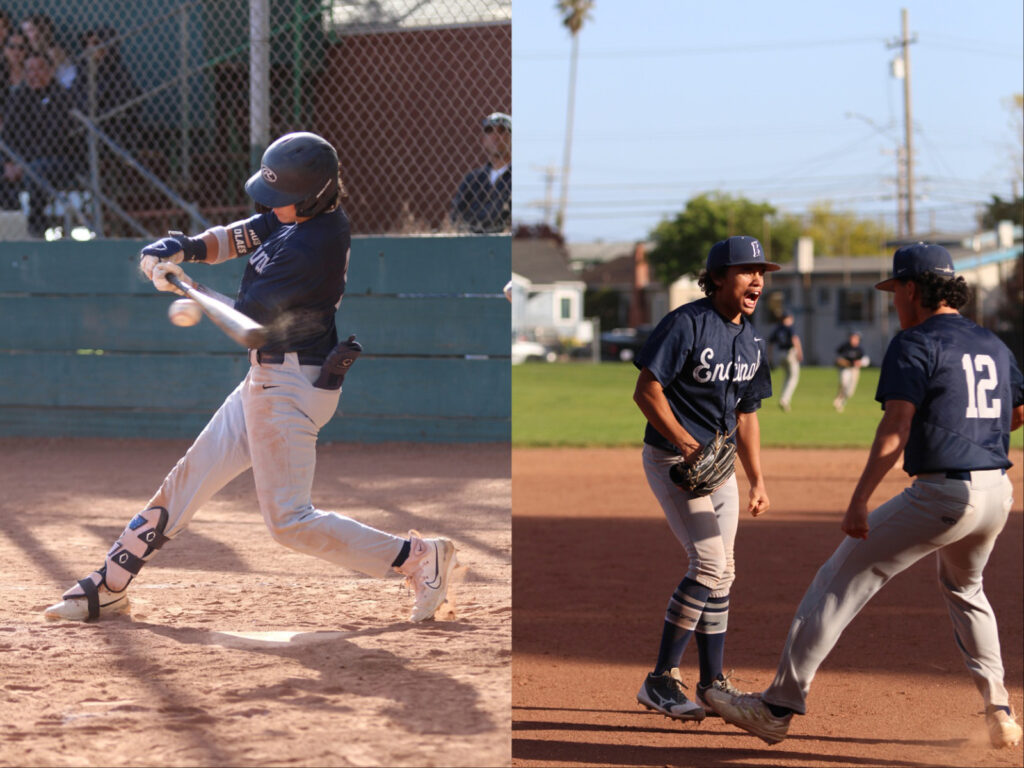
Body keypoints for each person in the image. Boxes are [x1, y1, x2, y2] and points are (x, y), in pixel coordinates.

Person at [44, 132, 457, 625]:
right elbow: (245, 232)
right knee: (188, 478)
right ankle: (110, 582)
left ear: (312, 197)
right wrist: (186, 246)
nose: (272, 206)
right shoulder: (298, 216)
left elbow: (244, 319)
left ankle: (418, 557)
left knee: (288, 522)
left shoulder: (311, 246)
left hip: (289, 389)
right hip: (269, 381)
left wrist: (186, 285)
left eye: (281, 199)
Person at [704, 243, 1024, 749]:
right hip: (998, 493)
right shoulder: (993, 344)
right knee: (967, 590)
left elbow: (895, 427)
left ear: (914, 290)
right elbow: (1018, 414)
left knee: (839, 578)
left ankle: (778, 705)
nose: (895, 300)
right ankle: (1000, 710)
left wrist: (860, 500)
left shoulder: (915, 342)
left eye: (897, 290)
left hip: (944, 494)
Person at [632, 235, 776, 722]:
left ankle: (713, 683)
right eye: (745, 270)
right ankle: (659, 680)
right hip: (673, 462)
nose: (757, 279)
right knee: (709, 563)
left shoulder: (752, 338)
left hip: (719, 465)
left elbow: (748, 413)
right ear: (717, 278)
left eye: (761, 271)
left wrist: (756, 478)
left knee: (725, 570)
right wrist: (683, 441)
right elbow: (646, 391)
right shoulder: (686, 324)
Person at [0, 51, 81, 236]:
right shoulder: (19, 96)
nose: (34, 75)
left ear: (51, 70)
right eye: (29, 70)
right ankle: (12, 223)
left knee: (36, 171)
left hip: (57, 160)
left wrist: (22, 164)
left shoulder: (61, 97)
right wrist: (8, 162)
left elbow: (54, 140)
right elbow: (7, 135)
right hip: (20, 160)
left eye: (39, 69)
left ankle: (36, 228)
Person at [71, 27, 141, 145]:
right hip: (83, 128)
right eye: (87, 44)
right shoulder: (82, 70)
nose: (90, 48)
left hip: (110, 130)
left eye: (96, 43)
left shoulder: (119, 74)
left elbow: (120, 106)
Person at [450, 112, 510, 233]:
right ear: (483, 140)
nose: (495, 137)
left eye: (501, 131)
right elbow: (456, 215)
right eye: (489, 131)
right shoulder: (473, 179)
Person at [768, 312, 802, 413]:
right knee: (793, 378)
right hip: (790, 353)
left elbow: (770, 345)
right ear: (788, 318)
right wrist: (799, 353)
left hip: (780, 354)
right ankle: (785, 399)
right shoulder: (789, 328)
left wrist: (770, 359)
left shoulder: (777, 329)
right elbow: (795, 339)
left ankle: (784, 398)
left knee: (787, 377)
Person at [832, 330, 869, 412]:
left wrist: (860, 363)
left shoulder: (859, 349)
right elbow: (837, 357)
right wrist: (841, 361)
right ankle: (838, 399)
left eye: (856, 338)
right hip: (845, 369)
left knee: (850, 392)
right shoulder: (845, 346)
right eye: (853, 338)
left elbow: (866, 361)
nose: (854, 340)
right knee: (843, 383)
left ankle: (842, 401)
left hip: (854, 370)